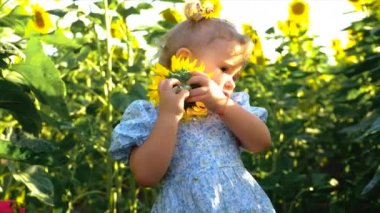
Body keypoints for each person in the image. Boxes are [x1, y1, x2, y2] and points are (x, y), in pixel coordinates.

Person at [109, 0, 275, 212]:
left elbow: (261, 143)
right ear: (185, 60)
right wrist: (169, 117)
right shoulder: (151, 114)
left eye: (236, 75)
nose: (232, 81)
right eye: (225, 68)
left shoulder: (231, 109)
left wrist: (223, 105)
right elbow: (145, 175)